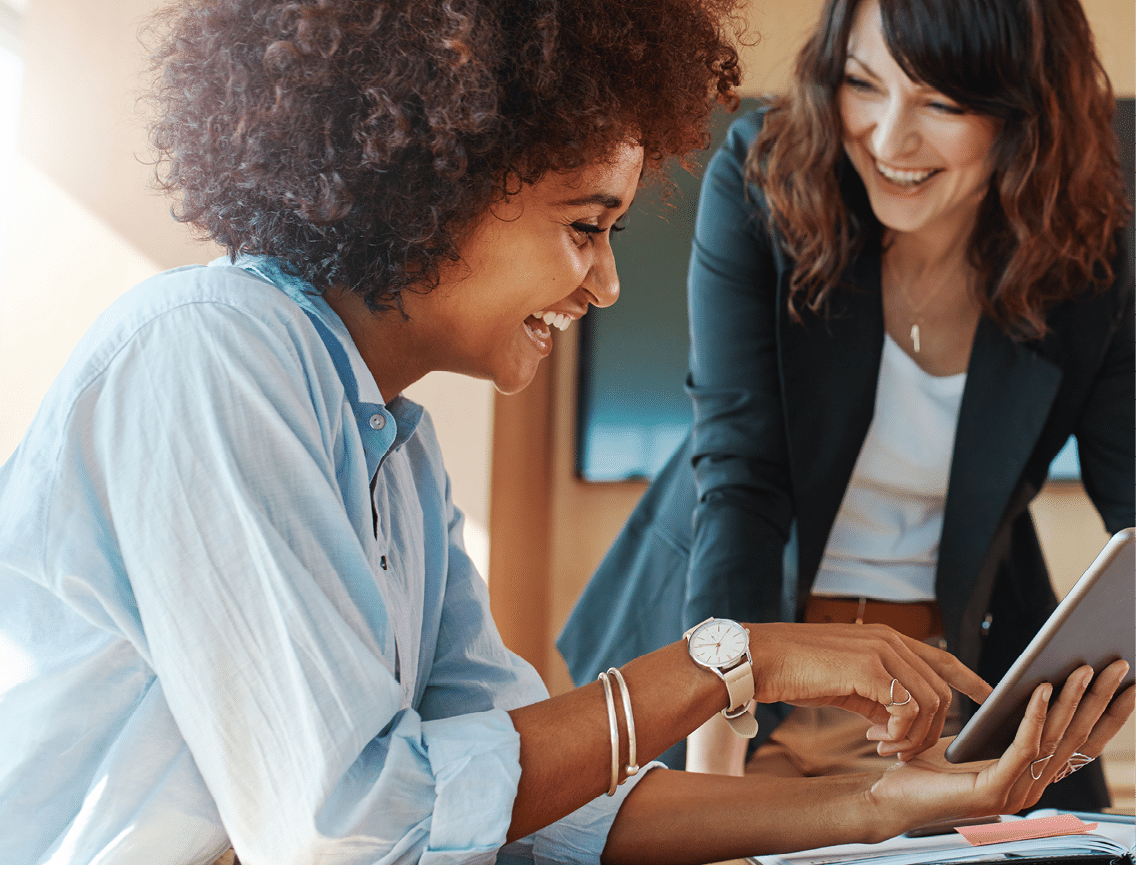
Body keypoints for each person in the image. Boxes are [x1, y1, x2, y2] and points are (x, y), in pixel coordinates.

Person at [0, 0, 1131, 865]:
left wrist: (901, 802)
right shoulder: (212, 354)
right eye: (585, 227)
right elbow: (355, 829)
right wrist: (739, 660)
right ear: (435, 178)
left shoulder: (393, 447)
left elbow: (543, 806)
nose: (600, 285)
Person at [560, 0, 1133, 811]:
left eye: (941, 102)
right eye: (863, 84)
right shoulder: (765, 179)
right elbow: (743, 480)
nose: (889, 138)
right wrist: (713, 781)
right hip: (739, 671)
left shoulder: (1092, 252)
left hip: (947, 690)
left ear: (1029, 113)